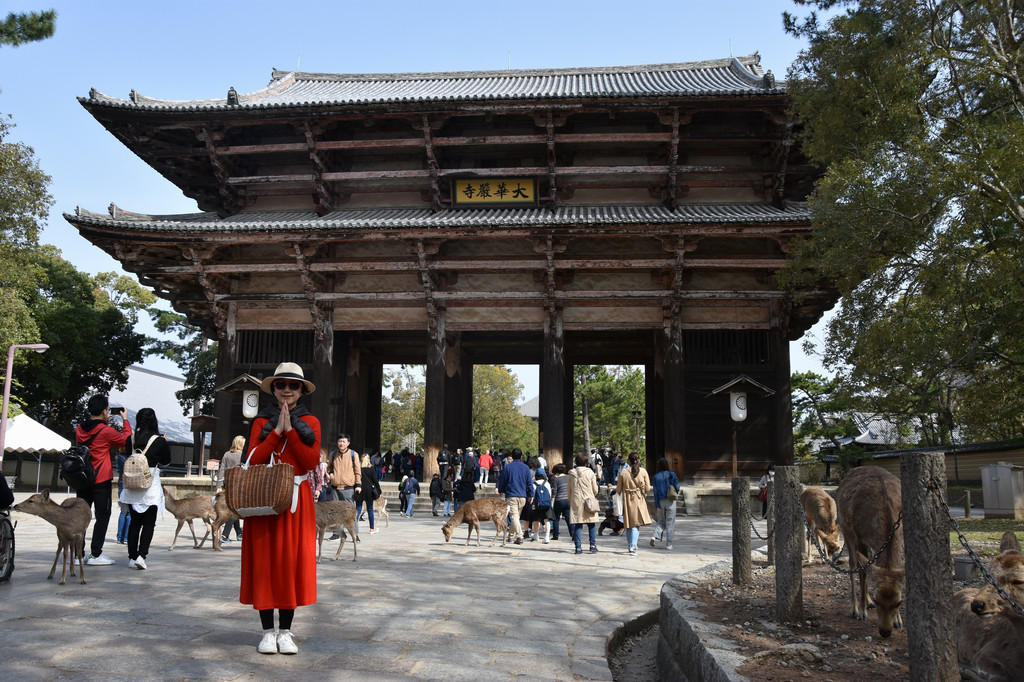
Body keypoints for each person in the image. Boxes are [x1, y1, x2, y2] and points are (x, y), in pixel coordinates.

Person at [242, 362, 320, 655]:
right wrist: (276, 432)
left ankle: (285, 632)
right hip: (263, 499)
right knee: (264, 562)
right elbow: (254, 459)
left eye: (293, 385)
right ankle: (266, 632)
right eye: (281, 384)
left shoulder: (311, 422)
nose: (287, 390)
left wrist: (291, 431)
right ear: (273, 388)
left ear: (301, 390)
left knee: (290, 563)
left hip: (296, 501)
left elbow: (310, 462)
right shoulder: (261, 421)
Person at [75, 394, 133, 566]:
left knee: (80, 516)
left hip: (83, 478)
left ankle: (78, 554)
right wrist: (125, 421)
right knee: (102, 515)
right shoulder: (106, 431)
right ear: (104, 410)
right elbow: (126, 440)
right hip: (100, 478)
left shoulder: (79, 428)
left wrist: (104, 419)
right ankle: (95, 554)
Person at [118, 407, 171, 570]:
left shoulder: (130, 440)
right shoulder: (159, 441)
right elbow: (166, 461)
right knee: (149, 523)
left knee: (135, 523)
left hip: (133, 485)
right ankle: (142, 555)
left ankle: (131, 557)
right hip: (150, 484)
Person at [616, 453, 652, 556]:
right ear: (639, 461)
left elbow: (618, 489)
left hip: (627, 499)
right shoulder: (643, 471)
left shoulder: (623, 472)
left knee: (628, 524)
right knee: (636, 524)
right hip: (638, 498)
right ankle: (633, 545)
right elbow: (648, 488)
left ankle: (630, 545)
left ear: (629, 461)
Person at [496, 448, 534, 545]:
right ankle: (511, 536)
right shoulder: (525, 468)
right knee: (515, 516)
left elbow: (502, 480)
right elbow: (529, 482)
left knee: (514, 517)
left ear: (512, 457)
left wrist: (501, 490)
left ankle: (520, 536)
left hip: (511, 495)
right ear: (521, 456)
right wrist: (531, 494)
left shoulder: (507, 467)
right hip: (522, 496)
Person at [568, 452, 601, 554]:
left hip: (576, 500)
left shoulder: (572, 474)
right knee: (591, 524)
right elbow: (595, 488)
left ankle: (578, 547)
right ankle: (593, 545)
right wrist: (592, 494)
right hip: (589, 500)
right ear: (586, 462)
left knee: (578, 524)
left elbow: (569, 489)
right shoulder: (590, 472)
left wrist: (571, 500)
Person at [650, 458, 680, 551]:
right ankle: (669, 544)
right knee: (670, 522)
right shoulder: (672, 475)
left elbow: (655, 492)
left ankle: (655, 536)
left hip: (661, 501)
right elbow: (677, 487)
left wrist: (657, 504)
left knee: (661, 521)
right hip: (670, 501)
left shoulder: (655, 477)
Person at [219, 435, 245, 542]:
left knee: (233, 508)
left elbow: (221, 471)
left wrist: (218, 487)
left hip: (228, 486)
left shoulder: (227, 454)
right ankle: (225, 535)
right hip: (239, 486)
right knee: (233, 511)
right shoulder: (243, 456)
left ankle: (239, 533)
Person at [328, 433, 361, 503]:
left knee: (348, 511)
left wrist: (358, 485)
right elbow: (329, 467)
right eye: (340, 441)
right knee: (335, 510)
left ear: (348, 443)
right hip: (335, 488)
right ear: (337, 442)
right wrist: (330, 474)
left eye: (344, 442)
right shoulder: (333, 454)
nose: (341, 444)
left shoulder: (353, 454)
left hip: (348, 488)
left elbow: (357, 471)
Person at [355, 454, 381, 535]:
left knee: (358, 509)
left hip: (360, 489)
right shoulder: (371, 469)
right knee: (370, 509)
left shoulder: (359, 469)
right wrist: (379, 491)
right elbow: (375, 481)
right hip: (369, 491)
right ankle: (372, 529)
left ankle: (353, 526)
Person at [549, 463, 571, 541]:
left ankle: (555, 535)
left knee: (556, 519)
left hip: (559, 500)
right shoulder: (569, 477)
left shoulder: (556, 479)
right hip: (568, 500)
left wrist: (552, 502)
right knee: (568, 518)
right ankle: (573, 534)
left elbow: (554, 492)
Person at [530, 471, 552, 543]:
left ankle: (536, 535)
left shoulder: (534, 484)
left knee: (536, 520)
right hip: (546, 504)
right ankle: (547, 536)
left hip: (537, 504)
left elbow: (532, 495)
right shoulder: (547, 483)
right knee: (546, 520)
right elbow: (550, 493)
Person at [115, 452, 130, 544]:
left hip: (122, 484)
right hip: (129, 485)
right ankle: (125, 537)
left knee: (124, 511)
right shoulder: (130, 456)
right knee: (128, 512)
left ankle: (121, 537)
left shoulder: (120, 456)